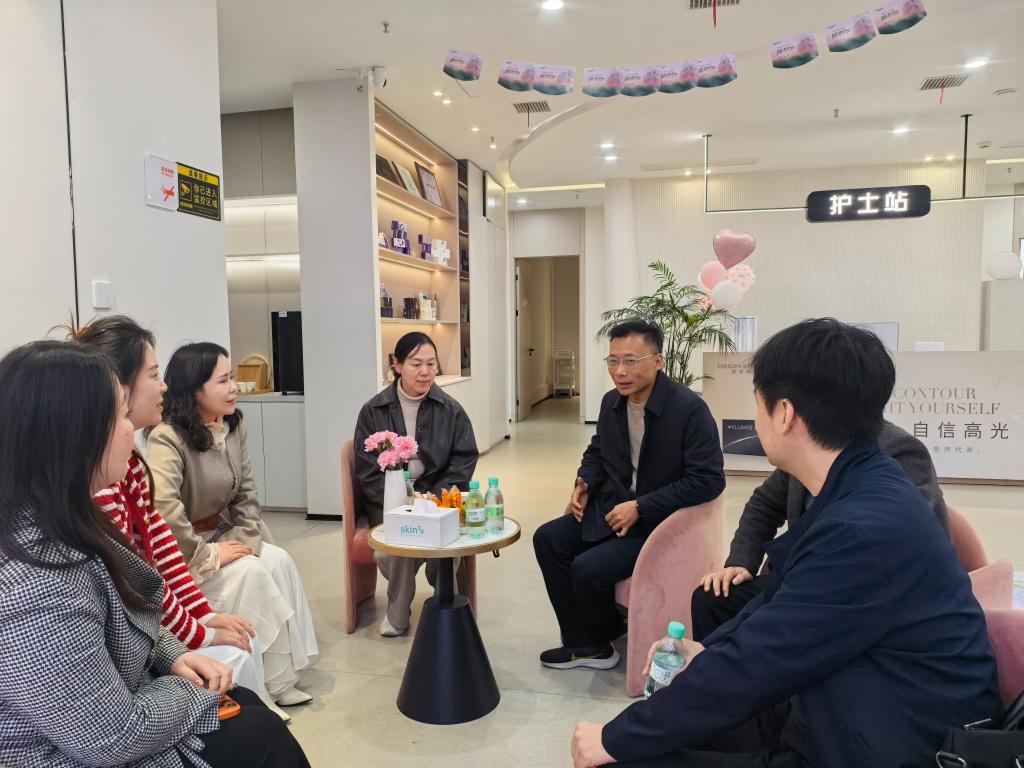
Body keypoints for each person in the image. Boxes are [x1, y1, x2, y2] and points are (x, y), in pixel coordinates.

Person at [571, 319, 1001, 768]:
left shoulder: (864, 528)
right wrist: (706, 651)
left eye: (757, 403)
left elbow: (759, 660)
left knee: (621, 758)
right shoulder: (859, 480)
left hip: (884, 739)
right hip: (838, 697)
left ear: (784, 413)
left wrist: (614, 739)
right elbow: (779, 602)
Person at [0, 340, 309, 768]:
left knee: (251, 709)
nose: (132, 431)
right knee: (261, 735)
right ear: (76, 435)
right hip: (79, 752)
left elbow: (133, 609)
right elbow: (109, 737)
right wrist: (190, 684)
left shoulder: (74, 515)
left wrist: (173, 653)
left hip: (126, 703)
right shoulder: (36, 583)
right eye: (121, 416)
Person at [72, 316, 290, 722]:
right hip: (131, 654)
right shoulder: (109, 472)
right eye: (154, 375)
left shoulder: (129, 461)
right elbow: (138, 579)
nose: (163, 387)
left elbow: (159, 548)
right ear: (118, 388)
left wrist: (201, 617)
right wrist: (194, 631)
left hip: (159, 612)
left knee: (272, 561)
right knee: (246, 605)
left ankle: (278, 684)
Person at [534, 320, 725, 670]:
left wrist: (641, 506)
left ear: (658, 361)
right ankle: (583, 640)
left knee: (587, 569)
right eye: (613, 361)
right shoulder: (612, 403)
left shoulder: (689, 410)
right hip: (612, 508)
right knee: (547, 539)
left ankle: (599, 639)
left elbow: (709, 480)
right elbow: (597, 450)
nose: (619, 371)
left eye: (631, 361)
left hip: (660, 523)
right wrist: (584, 482)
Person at [147, 343, 319, 708]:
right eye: (223, 380)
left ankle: (280, 674)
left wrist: (243, 541)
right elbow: (165, 510)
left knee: (278, 560)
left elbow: (247, 494)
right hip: (185, 552)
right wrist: (209, 555)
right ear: (195, 388)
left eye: (232, 378)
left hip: (226, 534)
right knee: (252, 572)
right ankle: (260, 688)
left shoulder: (232, 426)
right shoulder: (167, 436)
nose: (234, 387)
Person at [691, 419, 948, 641]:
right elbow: (764, 504)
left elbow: (896, 543)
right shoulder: (809, 447)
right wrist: (741, 561)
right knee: (713, 598)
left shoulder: (900, 450)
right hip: (805, 582)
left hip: (864, 594)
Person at [354, 331, 479, 636]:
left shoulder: (451, 409)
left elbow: (463, 460)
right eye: (416, 363)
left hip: (436, 501)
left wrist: (431, 501)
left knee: (447, 537)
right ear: (397, 365)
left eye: (431, 364)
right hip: (389, 503)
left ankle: (444, 606)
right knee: (393, 546)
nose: (425, 372)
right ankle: (398, 613)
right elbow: (368, 472)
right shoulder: (373, 411)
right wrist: (403, 504)